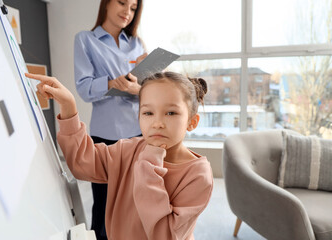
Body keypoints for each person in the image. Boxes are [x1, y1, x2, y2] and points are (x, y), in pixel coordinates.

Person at [26, 71, 213, 240]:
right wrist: (68, 107)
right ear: (138, 117)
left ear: (192, 122)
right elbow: (82, 162)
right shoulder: (127, 149)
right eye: (148, 112)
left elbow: (163, 235)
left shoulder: (198, 176)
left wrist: (150, 160)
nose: (157, 123)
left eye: (171, 113)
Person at [73, 0, 146, 238]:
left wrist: (139, 89)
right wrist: (111, 83)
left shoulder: (137, 44)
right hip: (106, 137)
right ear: (106, 3)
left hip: (139, 134)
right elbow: (83, 89)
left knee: (137, 201)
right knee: (104, 205)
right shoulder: (86, 40)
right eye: (122, 2)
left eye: (133, 8)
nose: (127, 11)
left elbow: (147, 88)